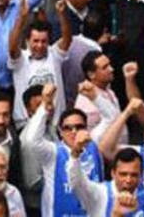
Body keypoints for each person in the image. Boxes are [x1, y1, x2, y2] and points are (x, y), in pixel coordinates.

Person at [20, 84, 104, 217]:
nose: (74, 132)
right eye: (68, 128)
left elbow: (111, 118)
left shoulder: (95, 144)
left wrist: (95, 96)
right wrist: (45, 106)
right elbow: (31, 140)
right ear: (60, 131)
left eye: (79, 126)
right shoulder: (52, 152)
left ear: (87, 128)